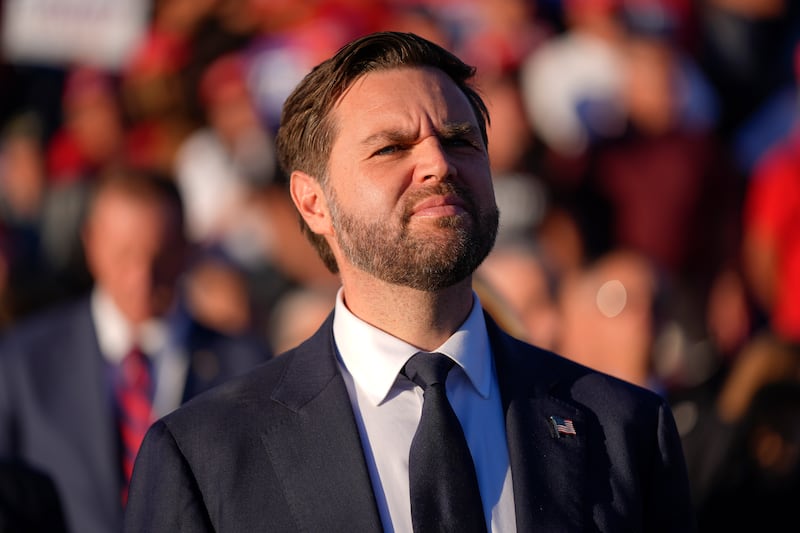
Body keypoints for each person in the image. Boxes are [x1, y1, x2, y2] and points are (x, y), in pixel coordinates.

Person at [124, 31, 696, 532]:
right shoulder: (206, 457)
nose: (438, 164)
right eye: (391, 147)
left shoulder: (626, 431)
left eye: (460, 141)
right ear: (313, 202)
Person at [0, 164, 272, 533]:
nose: (141, 278)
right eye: (124, 255)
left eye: (158, 256)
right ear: (90, 243)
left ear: (186, 249)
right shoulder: (25, 361)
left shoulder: (246, 364)